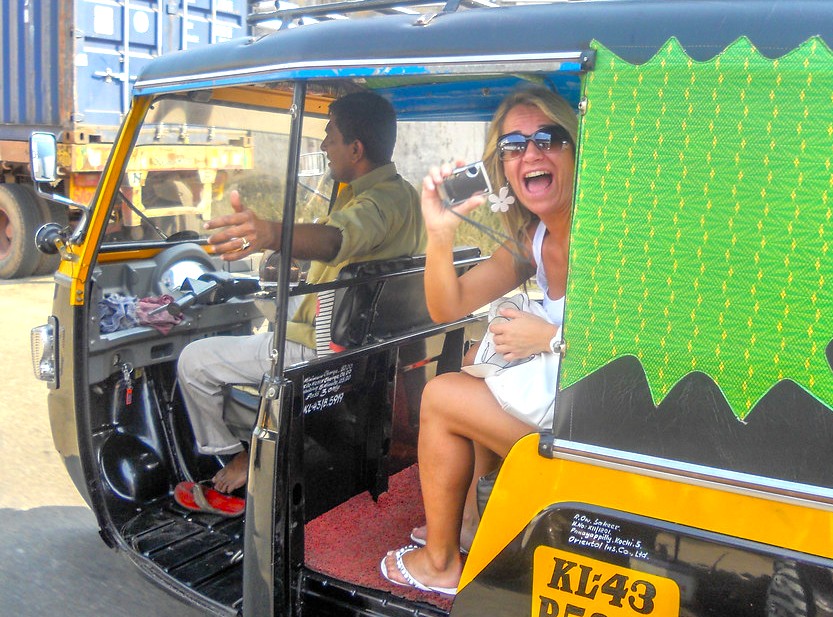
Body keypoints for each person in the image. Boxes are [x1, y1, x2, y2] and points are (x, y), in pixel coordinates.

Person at [380, 85, 576, 594]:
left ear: (576, 149)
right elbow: (449, 306)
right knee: (473, 361)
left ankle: (440, 563)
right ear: (502, 167)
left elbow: (643, 346)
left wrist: (550, 338)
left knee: (442, 397)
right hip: (570, 398)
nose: (531, 153)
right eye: (514, 145)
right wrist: (439, 233)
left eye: (548, 139)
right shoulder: (534, 239)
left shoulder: (604, 235)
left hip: (597, 422)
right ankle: (468, 523)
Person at [177, 91, 425, 493]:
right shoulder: (404, 194)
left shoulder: (378, 203)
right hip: (368, 337)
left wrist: (272, 234)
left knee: (194, 361)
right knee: (274, 305)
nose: (324, 146)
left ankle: (233, 455)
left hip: (320, 348)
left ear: (356, 149)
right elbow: (348, 248)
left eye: (330, 136)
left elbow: (338, 238)